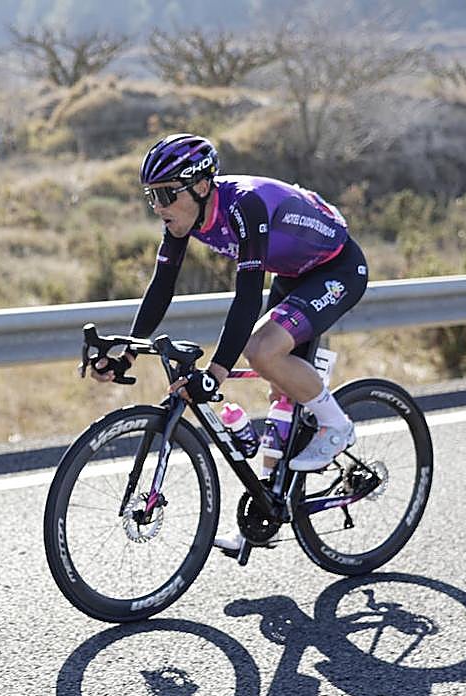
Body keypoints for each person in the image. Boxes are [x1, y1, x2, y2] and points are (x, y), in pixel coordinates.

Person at [91, 133, 368, 548]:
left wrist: (216, 373)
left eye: (166, 194)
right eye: (152, 196)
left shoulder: (244, 206)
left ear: (201, 186)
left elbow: (245, 298)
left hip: (337, 268)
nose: (159, 207)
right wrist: (127, 351)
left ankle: (337, 426)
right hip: (293, 273)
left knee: (262, 351)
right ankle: (267, 511)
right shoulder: (183, 218)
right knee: (282, 397)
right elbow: (162, 287)